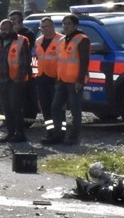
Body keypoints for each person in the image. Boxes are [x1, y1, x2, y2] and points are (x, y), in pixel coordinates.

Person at [44, 13, 90, 146]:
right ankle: (58, 135)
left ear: (75, 25)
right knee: (55, 107)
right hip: (62, 80)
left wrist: (80, 80)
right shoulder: (62, 40)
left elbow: (84, 61)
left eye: (69, 24)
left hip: (75, 81)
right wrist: (57, 78)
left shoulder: (82, 39)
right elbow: (60, 61)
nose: (66, 26)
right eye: (64, 24)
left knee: (75, 110)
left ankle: (74, 137)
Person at [0, 18, 31, 143]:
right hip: (2, 80)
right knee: (6, 107)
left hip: (16, 80)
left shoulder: (22, 40)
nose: (3, 32)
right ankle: (11, 132)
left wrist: (19, 79)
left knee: (15, 107)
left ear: (12, 29)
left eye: (6, 29)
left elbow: (25, 62)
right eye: (2, 29)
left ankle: (20, 133)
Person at [31, 17, 62, 126]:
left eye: (47, 26)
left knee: (57, 108)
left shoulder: (61, 40)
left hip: (56, 79)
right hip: (42, 79)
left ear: (53, 26)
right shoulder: (38, 41)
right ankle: (50, 131)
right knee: (45, 108)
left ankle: (60, 131)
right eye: (42, 27)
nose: (44, 29)